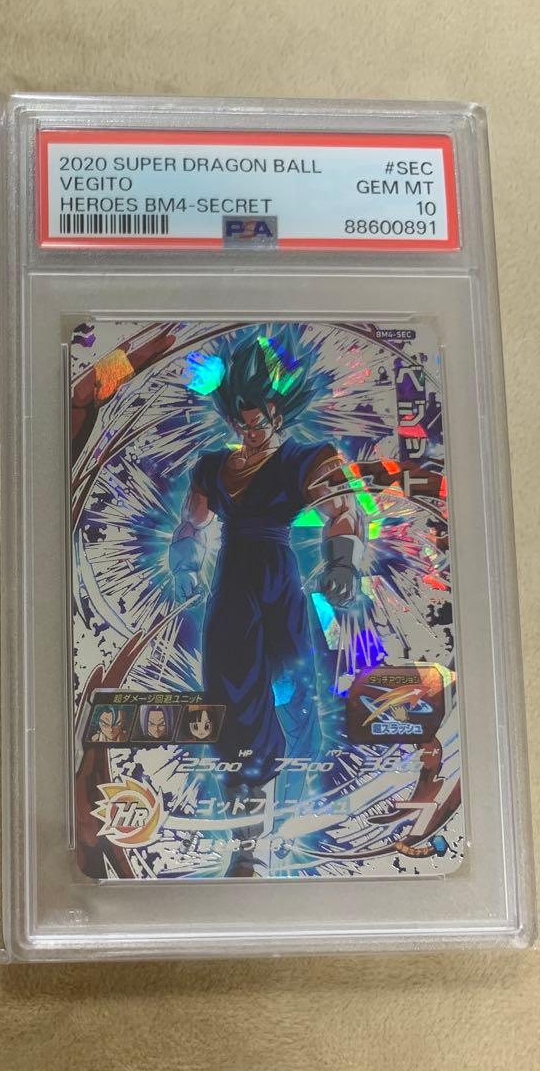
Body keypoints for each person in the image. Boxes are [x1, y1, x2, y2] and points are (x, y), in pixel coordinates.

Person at [169, 336, 363, 875]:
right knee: (235, 713)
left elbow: (343, 512)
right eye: (241, 422)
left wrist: (342, 563)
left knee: (293, 702)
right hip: (232, 593)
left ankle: (287, 833)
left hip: (279, 587)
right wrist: (184, 565)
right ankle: (246, 845)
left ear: (278, 412)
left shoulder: (306, 459)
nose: (248, 431)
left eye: (256, 421)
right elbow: (191, 524)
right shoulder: (214, 466)